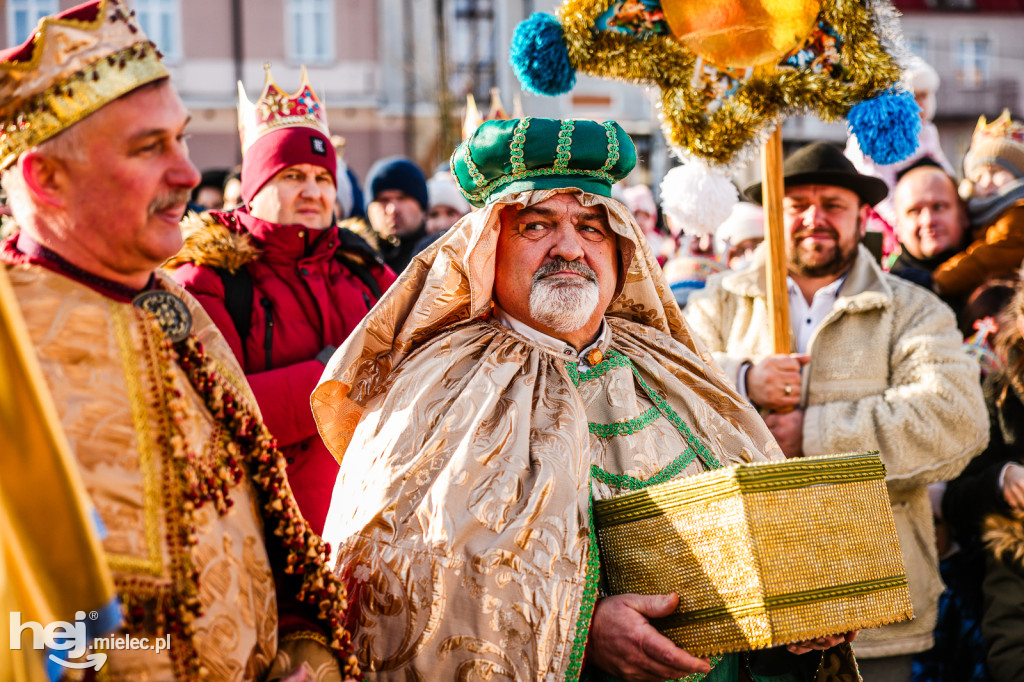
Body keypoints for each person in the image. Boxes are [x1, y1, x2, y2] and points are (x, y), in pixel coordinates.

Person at [311, 118, 859, 680]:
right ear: (485, 248)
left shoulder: (671, 365)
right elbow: (398, 586)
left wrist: (800, 614)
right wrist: (583, 633)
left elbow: (761, 548)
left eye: (592, 227)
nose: (569, 247)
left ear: (622, 247)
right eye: (537, 226)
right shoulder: (431, 387)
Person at [0, 2, 358, 679]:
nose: (189, 174)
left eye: (181, 140)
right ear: (47, 179)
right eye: (147, 148)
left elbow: (269, 528)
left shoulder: (179, 311)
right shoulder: (9, 340)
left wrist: (306, 646)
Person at [684, 142, 989, 682]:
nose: (813, 218)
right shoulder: (715, 303)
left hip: (871, 612)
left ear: (861, 216)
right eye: (797, 203)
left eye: (832, 204)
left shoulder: (912, 310)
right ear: (772, 216)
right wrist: (743, 378)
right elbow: (668, 392)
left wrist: (816, 432)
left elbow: (956, 419)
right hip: (745, 607)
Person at [166, 68, 395, 535]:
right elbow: (212, 411)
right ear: (255, 187)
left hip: (378, 532)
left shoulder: (364, 268)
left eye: (321, 177)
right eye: (291, 175)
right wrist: (331, 379)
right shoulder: (208, 276)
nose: (312, 190)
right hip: (265, 538)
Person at [932, 110, 1024, 299]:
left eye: (997, 172)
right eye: (979, 175)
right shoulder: (983, 212)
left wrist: (941, 279)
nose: (987, 181)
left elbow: (990, 256)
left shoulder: (1017, 213)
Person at [890, 164, 969, 291]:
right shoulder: (889, 293)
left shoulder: (998, 269)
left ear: (963, 213)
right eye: (914, 211)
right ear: (898, 225)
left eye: (939, 206)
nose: (928, 220)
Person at [362, 156, 429, 272]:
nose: (392, 209)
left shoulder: (441, 257)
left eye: (402, 198)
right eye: (383, 199)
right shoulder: (354, 261)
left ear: (422, 207)